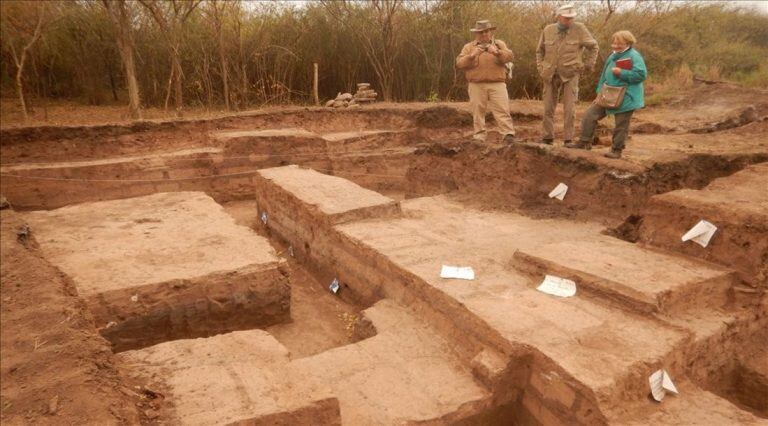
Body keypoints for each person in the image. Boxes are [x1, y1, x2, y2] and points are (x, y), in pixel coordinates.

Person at [565, 30, 647, 159]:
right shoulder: (613, 55)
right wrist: (599, 92)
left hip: (626, 96)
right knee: (590, 114)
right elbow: (604, 75)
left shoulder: (634, 56)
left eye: (619, 43)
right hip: (608, 94)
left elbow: (641, 75)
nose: (615, 45)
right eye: (614, 42)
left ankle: (616, 150)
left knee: (621, 124)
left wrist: (621, 73)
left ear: (628, 43)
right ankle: (584, 142)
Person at [536, 3, 598, 145]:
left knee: (569, 108)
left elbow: (594, 46)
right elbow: (539, 51)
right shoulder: (548, 29)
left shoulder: (580, 28)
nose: (569, 21)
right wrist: (541, 68)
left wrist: (587, 65)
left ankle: (568, 139)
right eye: (566, 18)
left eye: (571, 18)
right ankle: (547, 137)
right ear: (558, 16)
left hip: (570, 73)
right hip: (550, 73)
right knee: (547, 108)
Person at [456, 20, 516, 144]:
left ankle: (508, 134)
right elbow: (459, 63)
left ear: (490, 32)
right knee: (478, 112)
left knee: (502, 110)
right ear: (476, 33)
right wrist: (471, 56)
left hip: (497, 83)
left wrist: (497, 52)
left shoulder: (499, 44)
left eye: (486, 31)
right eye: (480, 32)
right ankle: (479, 136)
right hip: (476, 84)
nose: (484, 34)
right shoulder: (469, 47)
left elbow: (510, 56)